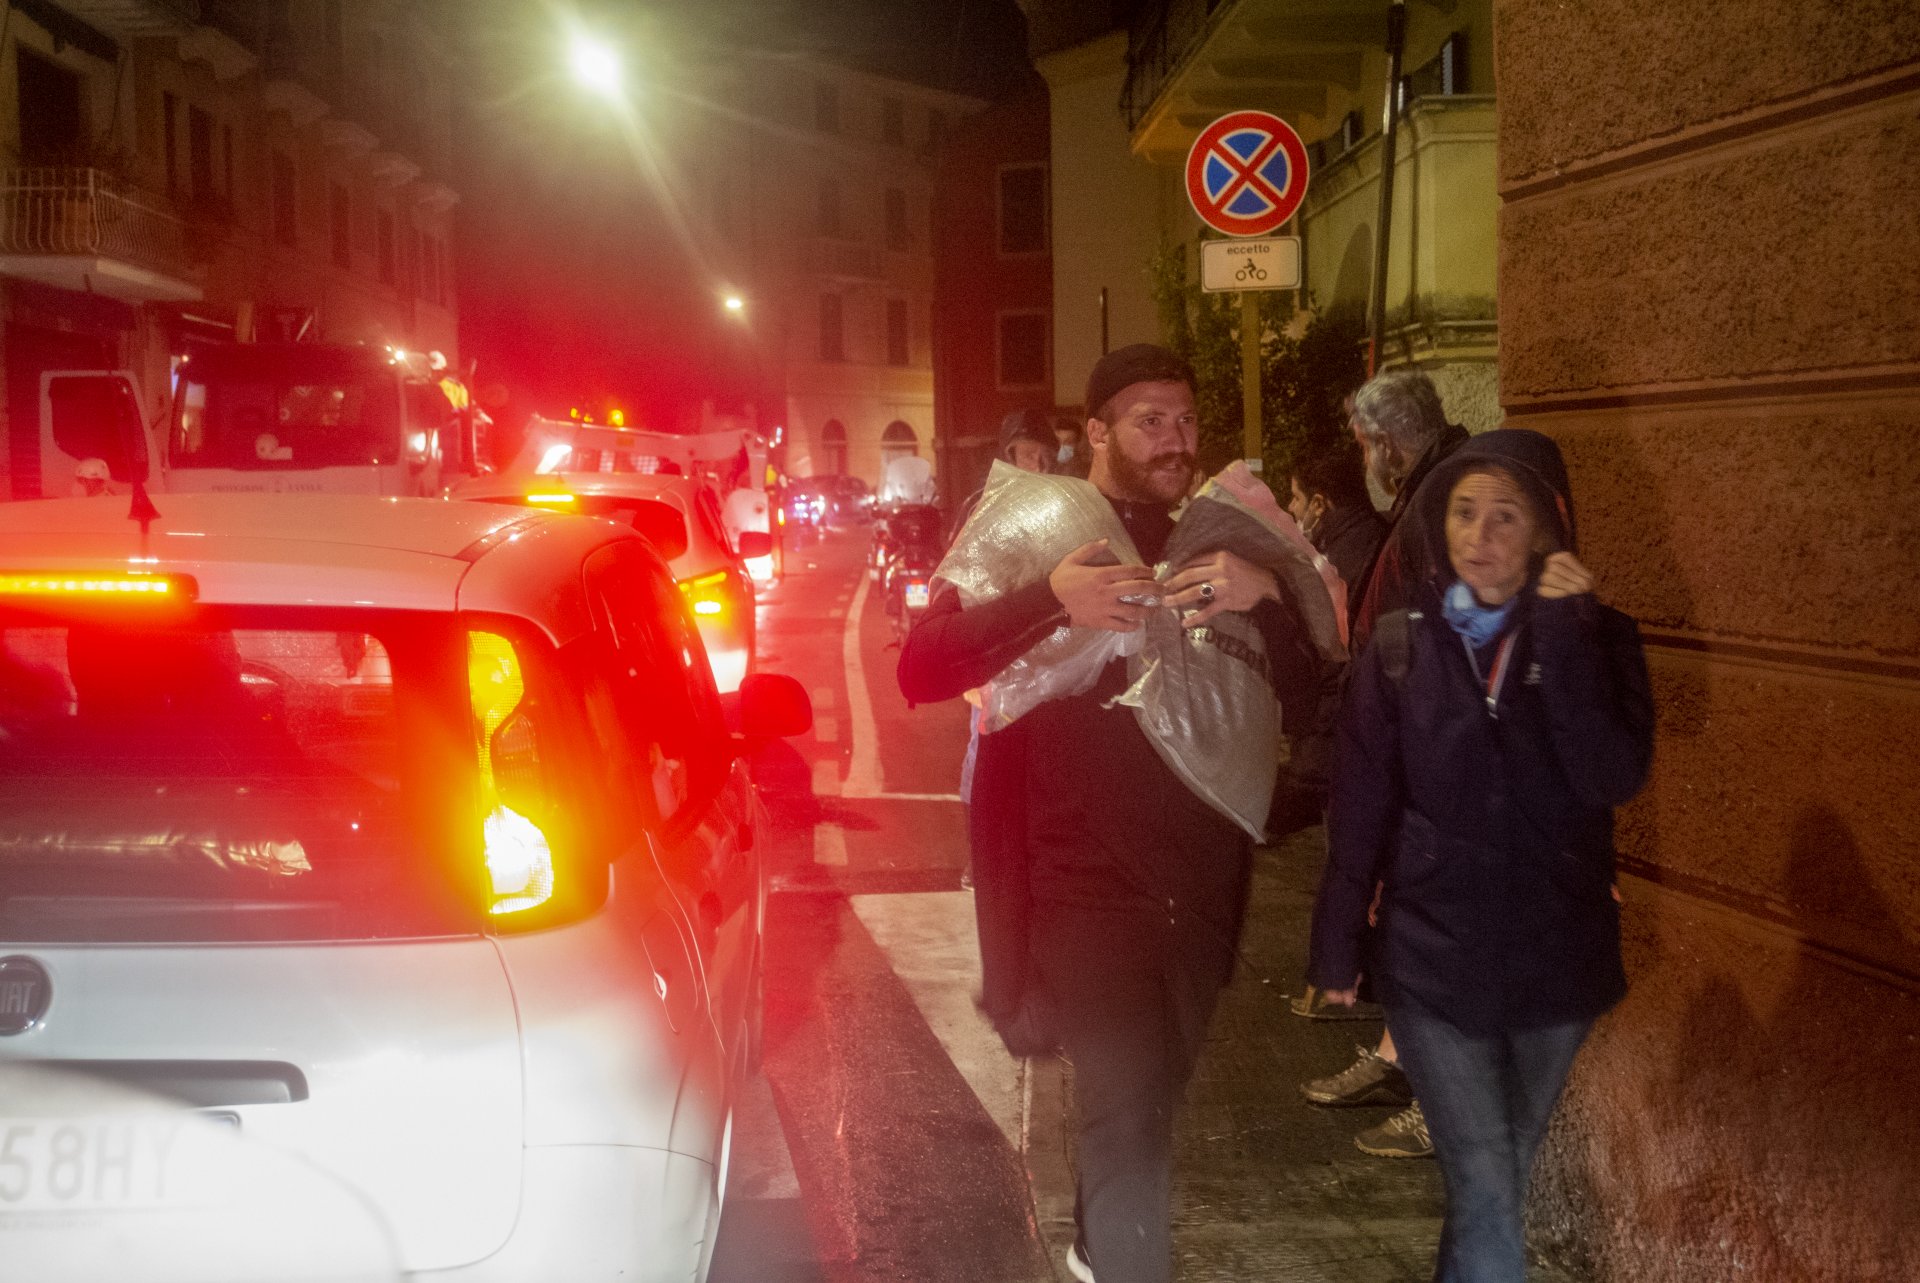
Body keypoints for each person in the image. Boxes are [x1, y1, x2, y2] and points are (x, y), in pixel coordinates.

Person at [899, 344, 1321, 1283]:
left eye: (1186, 420)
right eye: (1149, 420)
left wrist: (1270, 600)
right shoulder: (1044, 530)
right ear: (1096, 431)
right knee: (1126, 1108)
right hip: (1079, 883)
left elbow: (1307, 693)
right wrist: (1052, 602)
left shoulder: (1222, 542)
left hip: (1202, 883)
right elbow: (921, 664)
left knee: (1151, 1100)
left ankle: (1096, 1245)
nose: (1175, 439)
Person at [1307, 428, 1653, 1283]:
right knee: (1492, 1188)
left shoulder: (1602, 637)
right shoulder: (1401, 643)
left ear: (1548, 529)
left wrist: (1565, 639)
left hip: (1554, 961)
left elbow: (1610, 773)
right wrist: (1337, 945)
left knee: (1492, 1183)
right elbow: (1361, 802)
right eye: (1465, 511)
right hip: (1433, 958)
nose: (1482, 534)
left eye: (1508, 515)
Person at [1290, 369, 1472, 1151]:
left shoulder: (1445, 496)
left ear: (1390, 442)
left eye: (1366, 444)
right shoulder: (1429, 490)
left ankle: (1441, 1101)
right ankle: (1402, 1059)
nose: (1364, 459)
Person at [1285, 444, 1385, 607]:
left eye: (1296, 497)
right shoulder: (1376, 530)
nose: (1290, 507)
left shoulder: (1333, 565)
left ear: (1318, 505)